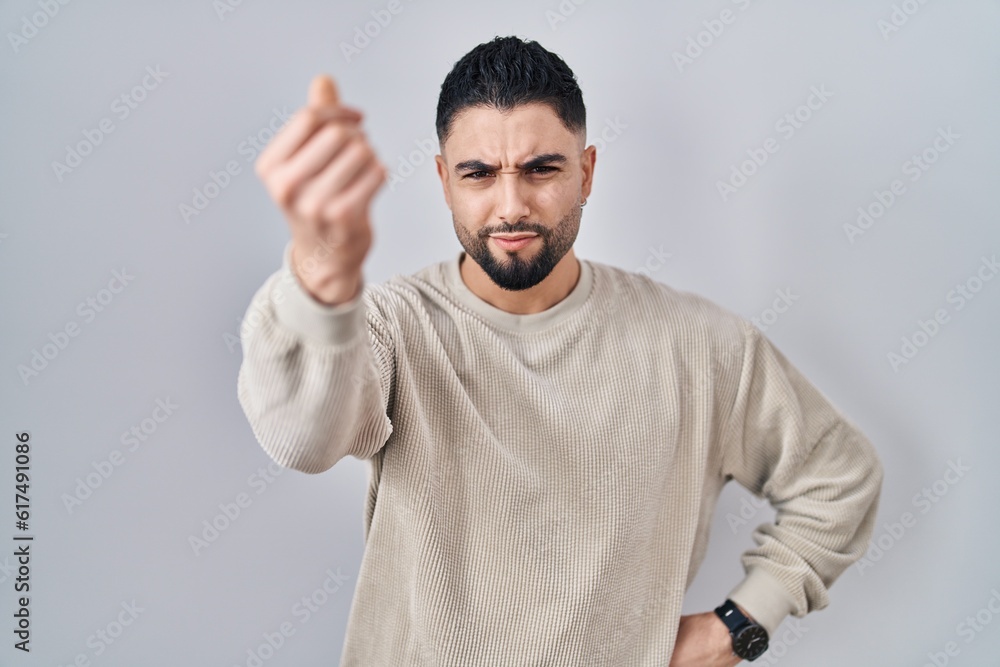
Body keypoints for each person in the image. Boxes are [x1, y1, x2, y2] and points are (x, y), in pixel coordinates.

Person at [237, 35, 884, 666]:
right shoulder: (391, 325)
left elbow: (840, 477)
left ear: (587, 171)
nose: (511, 205)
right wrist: (323, 276)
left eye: (542, 168)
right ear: (443, 179)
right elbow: (303, 439)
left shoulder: (699, 343)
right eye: (479, 174)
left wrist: (738, 625)